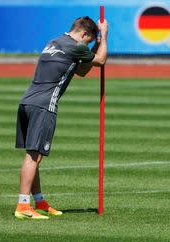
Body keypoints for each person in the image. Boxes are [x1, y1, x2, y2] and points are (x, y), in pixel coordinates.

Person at [14, 16, 109, 220]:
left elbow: (82, 70)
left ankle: (39, 201)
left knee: (34, 153)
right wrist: (104, 36)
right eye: (89, 41)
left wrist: (95, 44)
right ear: (84, 34)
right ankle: (23, 206)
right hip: (43, 105)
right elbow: (100, 61)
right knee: (34, 156)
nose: (87, 45)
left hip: (27, 101)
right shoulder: (75, 46)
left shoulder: (56, 41)